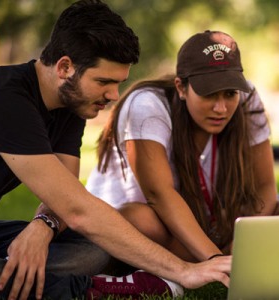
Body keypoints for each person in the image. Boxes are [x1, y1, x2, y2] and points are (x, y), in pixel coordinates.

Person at [0, 1, 231, 299]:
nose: (113, 95)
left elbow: (64, 198)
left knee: (92, 250)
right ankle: (91, 290)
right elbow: (78, 210)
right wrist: (183, 270)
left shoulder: (70, 105)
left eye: (118, 83)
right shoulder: (5, 99)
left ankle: (12, 277)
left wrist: (42, 227)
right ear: (65, 67)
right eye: (104, 82)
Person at [86, 30, 277, 263]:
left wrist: (246, 242)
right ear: (181, 88)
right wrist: (217, 260)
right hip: (143, 227)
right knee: (140, 218)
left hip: (207, 225)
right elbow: (160, 195)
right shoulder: (146, 104)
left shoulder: (247, 98)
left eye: (229, 94)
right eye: (209, 94)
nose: (221, 108)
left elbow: (265, 185)